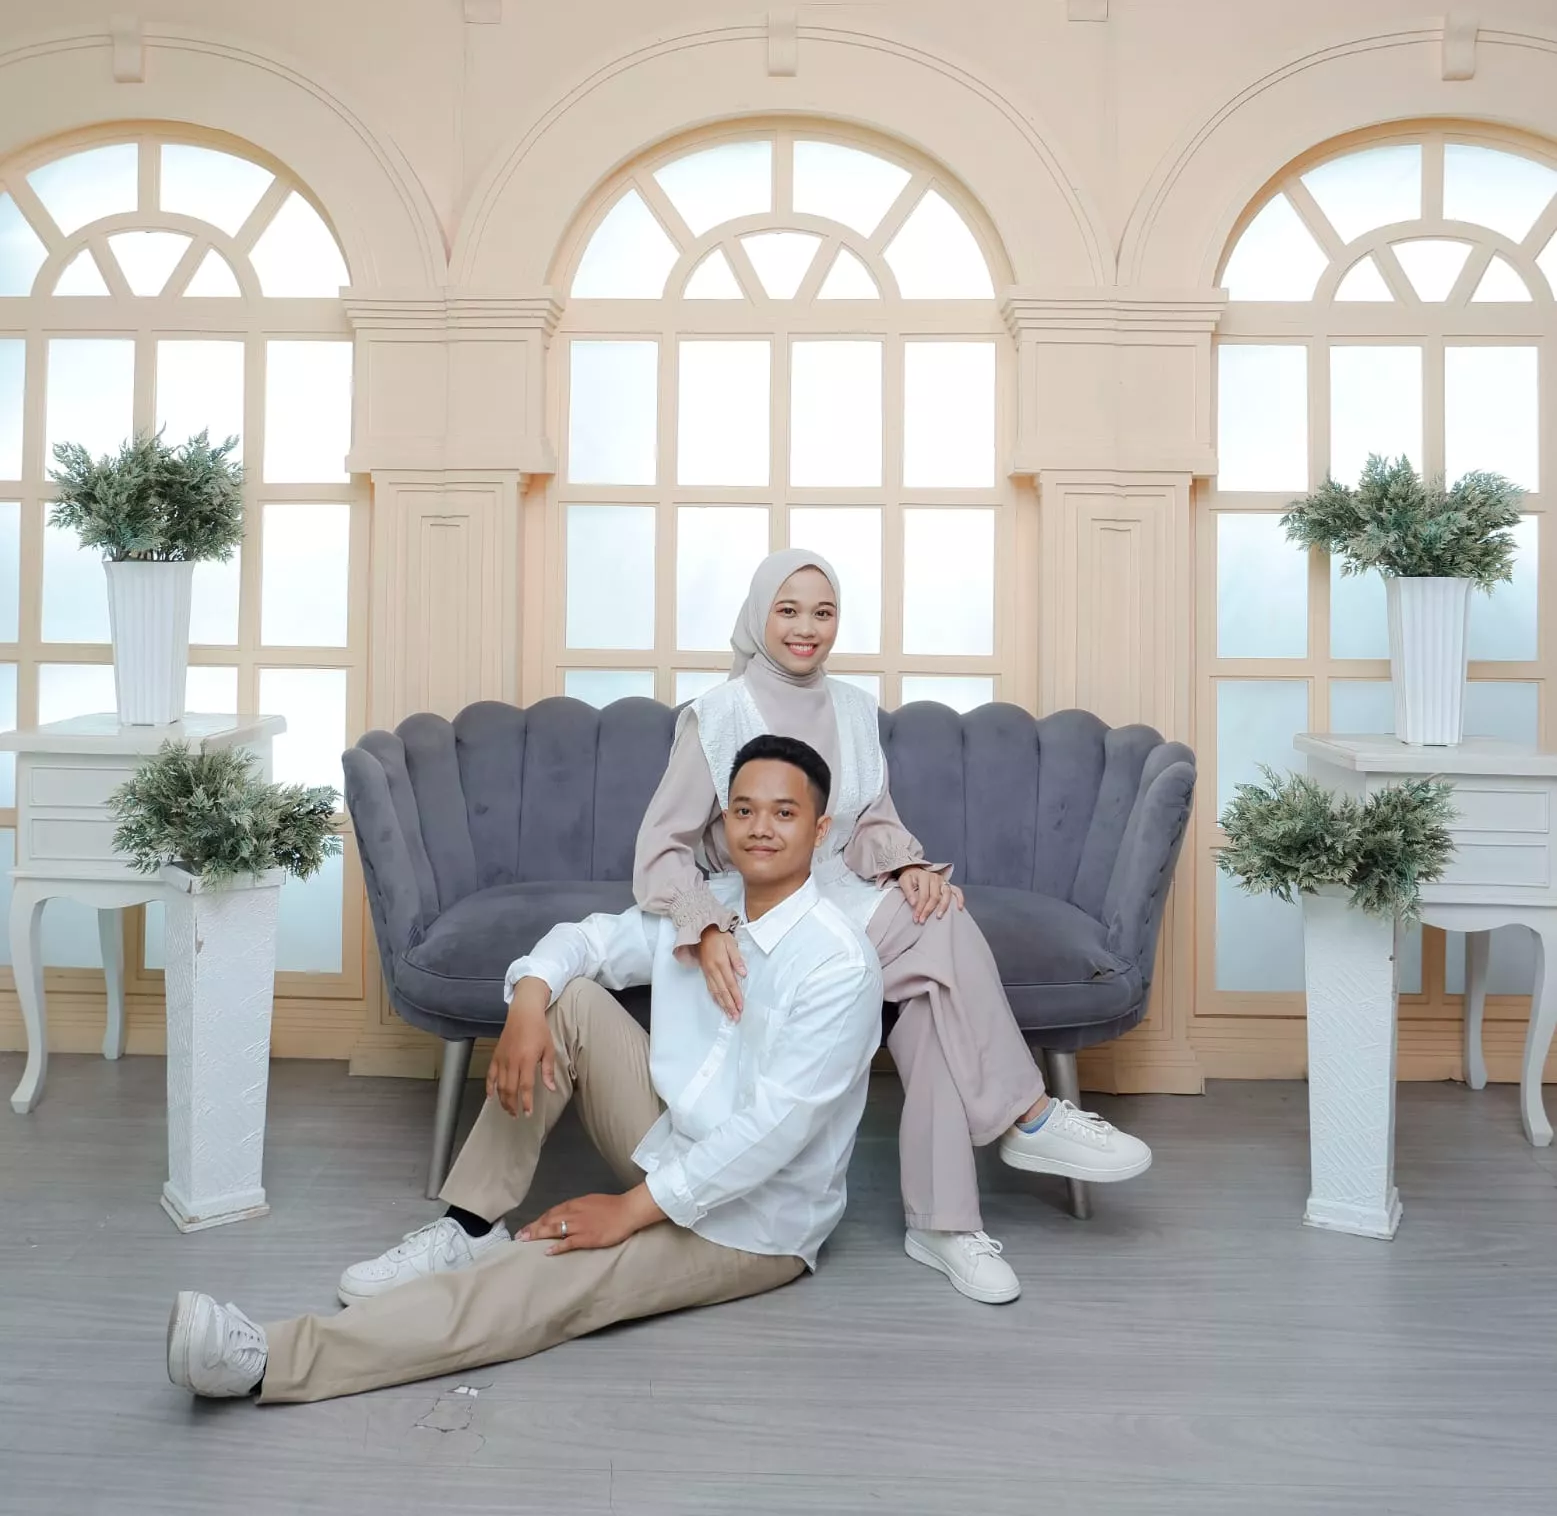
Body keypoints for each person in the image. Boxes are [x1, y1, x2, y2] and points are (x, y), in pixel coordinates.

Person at [166, 735, 884, 1402]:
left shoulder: (839, 964)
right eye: (744, 810)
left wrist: (630, 1210)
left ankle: (271, 1360)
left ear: (820, 830)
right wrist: (529, 1001)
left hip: (751, 1221)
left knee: (545, 1278)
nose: (760, 828)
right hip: (672, 1139)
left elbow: (772, 1132)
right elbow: (590, 939)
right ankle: (472, 1224)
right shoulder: (708, 907)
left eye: (784, 813)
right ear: (724, 822)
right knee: (567, 997)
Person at [633, 549, 1151, 1305]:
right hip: (763, 907)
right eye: (788, 610)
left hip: (841, 895)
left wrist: (906, 866)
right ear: (757, 616)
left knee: (933, 959)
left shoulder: (850, 708)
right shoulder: (716, 715)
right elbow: (660, 851)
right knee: (939, 941)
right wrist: (705, 927)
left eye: (823, 612)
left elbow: (868, 820)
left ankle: (946, 1225)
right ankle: (1024, 1118)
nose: (807, 628)